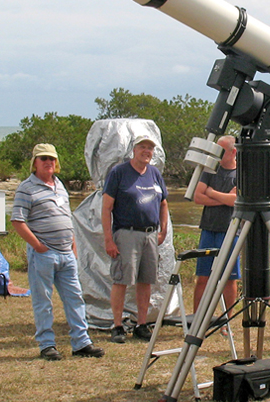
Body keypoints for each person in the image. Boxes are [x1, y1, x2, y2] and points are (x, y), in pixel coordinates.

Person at [11, 143, 104, 361]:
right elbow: (17, 221)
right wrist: (38, 246)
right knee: (43, 301)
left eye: (51, 159)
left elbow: (66, 216)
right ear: (34, 162)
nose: (48, 162)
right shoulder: (26, 188)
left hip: (66, 254)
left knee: (75, 298)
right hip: (43, 254)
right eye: (43, 158)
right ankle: (46, 345)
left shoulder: (59, 185)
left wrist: (72, 244)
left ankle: (81, 343)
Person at [101, 134, 169, 344]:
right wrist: (108, 239)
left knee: (145, 281)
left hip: (149, 234)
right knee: (122, 280)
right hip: (126, 233)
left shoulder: (155, 174)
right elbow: (106, 208)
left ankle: (141, 324)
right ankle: (118, 325)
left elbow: (163, 203)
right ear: (134, 149)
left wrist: (163, 231)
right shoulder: (119, 173)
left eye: (150, 148)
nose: (146, 151)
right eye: (143, 147)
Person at [192, 135, 239, 315]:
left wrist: (211, 193)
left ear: (233, 152)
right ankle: (197, 318)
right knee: (203, 277)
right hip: (208, 229)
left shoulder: (241, 173)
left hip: (230, 231)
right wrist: (223, 198)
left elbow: (235, 200)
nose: (217, 156)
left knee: (229, 278)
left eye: (221, 151)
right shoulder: (209, 170)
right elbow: (198, 197)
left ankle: (225, 321)